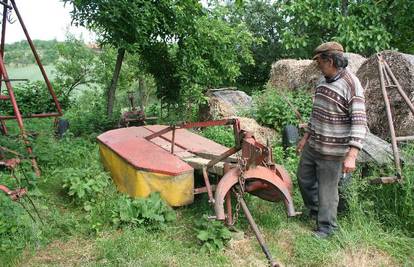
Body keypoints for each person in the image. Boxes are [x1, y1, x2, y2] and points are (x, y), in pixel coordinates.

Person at [296, 41, 367, 238]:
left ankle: (327, 228)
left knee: (328, 191)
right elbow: (316, 113)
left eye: (319, 61)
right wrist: (305, 138)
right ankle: (316, 211)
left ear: (330, 60)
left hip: (334, 152)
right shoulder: (322, 80)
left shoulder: (352, 85)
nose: (317, 65)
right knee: (304, 178)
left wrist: (352, 155)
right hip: (314, 145)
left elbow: (360, 123)